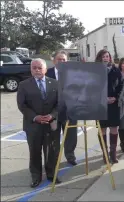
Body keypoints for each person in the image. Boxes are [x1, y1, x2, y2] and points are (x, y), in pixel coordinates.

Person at [17, 58, 61, 188]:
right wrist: (35, 117)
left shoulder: (55, 83)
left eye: (39, 67)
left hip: (50, 125)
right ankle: (36, 176)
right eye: (34, 68)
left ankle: (51, 174)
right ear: (31, 70)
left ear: (45, 69)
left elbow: (60, 104)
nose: (37, 70)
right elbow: (22, 105)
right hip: (33, 125)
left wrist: (52, 115)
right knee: (35, 152)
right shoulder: (23, 85)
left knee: (51, 152)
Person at [46, 50, 78, 166]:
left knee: (71, 136)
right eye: (59, 59)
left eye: (64, 59)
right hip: (53, 112)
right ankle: (55, 160)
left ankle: (70, 156)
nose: (62, 61)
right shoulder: (47, 73)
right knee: (54, 138)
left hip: (70, 111)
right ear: (54, 61)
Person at [96, 49, 124, 164]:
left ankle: (113, 154)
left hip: (113, 104)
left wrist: (116, 97)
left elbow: (121, 86)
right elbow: (92, 87)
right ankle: (104, 153)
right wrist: (102, 98)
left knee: (114, 128)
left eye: (107, 56)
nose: (106, 58)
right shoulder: (95, 71)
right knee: (102, 129)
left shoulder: (116, 70)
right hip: (100, 105)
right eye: (103, 56)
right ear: (99, 58)